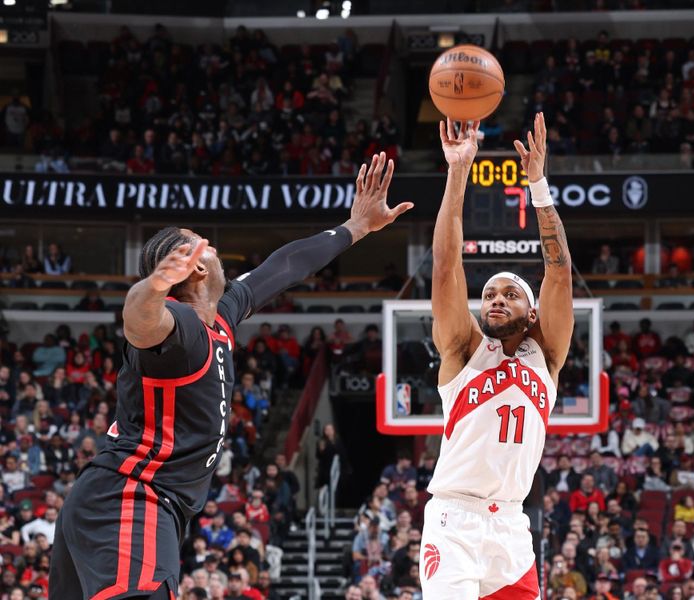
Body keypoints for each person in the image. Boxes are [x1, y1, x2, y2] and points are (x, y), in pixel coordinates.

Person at [48, 152, 413, 599]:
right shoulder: (180, 328)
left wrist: (357, 226)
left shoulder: (221, 314)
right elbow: (139, 323)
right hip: (130, 497)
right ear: (196, 267)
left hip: (121, 501)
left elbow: (283, 268)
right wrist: (155, 285)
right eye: (209, 245)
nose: (220, 253)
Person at [420, 115, 573, 597]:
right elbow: (446, 268)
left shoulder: (544, 358)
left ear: (531, 313)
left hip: (510, 526)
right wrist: (458, 171)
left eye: (510, 294)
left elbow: (560, 271)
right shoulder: (464, 350)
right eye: (489, 294)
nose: (496, 300)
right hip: (454, 519)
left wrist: (538, 185)